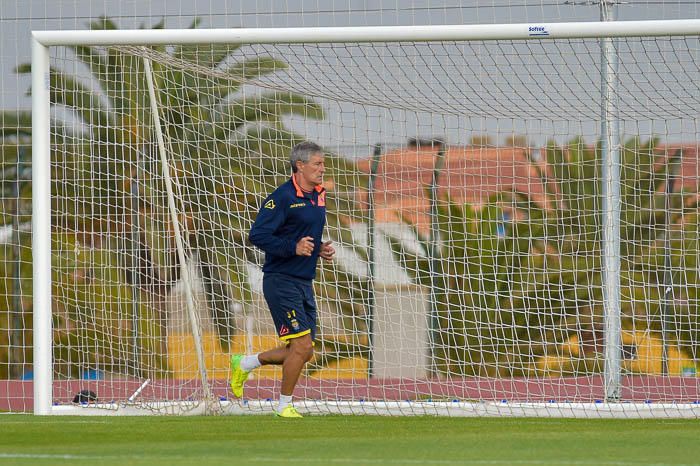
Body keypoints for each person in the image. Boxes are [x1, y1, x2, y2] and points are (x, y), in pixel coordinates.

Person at [229, 141, 335, 418]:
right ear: (300, 165)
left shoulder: (319, 196)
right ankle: (284, 406)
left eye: (323, 164)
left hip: (304, 280)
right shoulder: (282, 197)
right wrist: (293, 247)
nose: (322, 169)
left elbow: (301, 233)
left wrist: (319, 248)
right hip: (280, 281)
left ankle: (245, 363)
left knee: (304, 351)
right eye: (317, 164)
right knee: (301, 347)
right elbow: (258, 235)